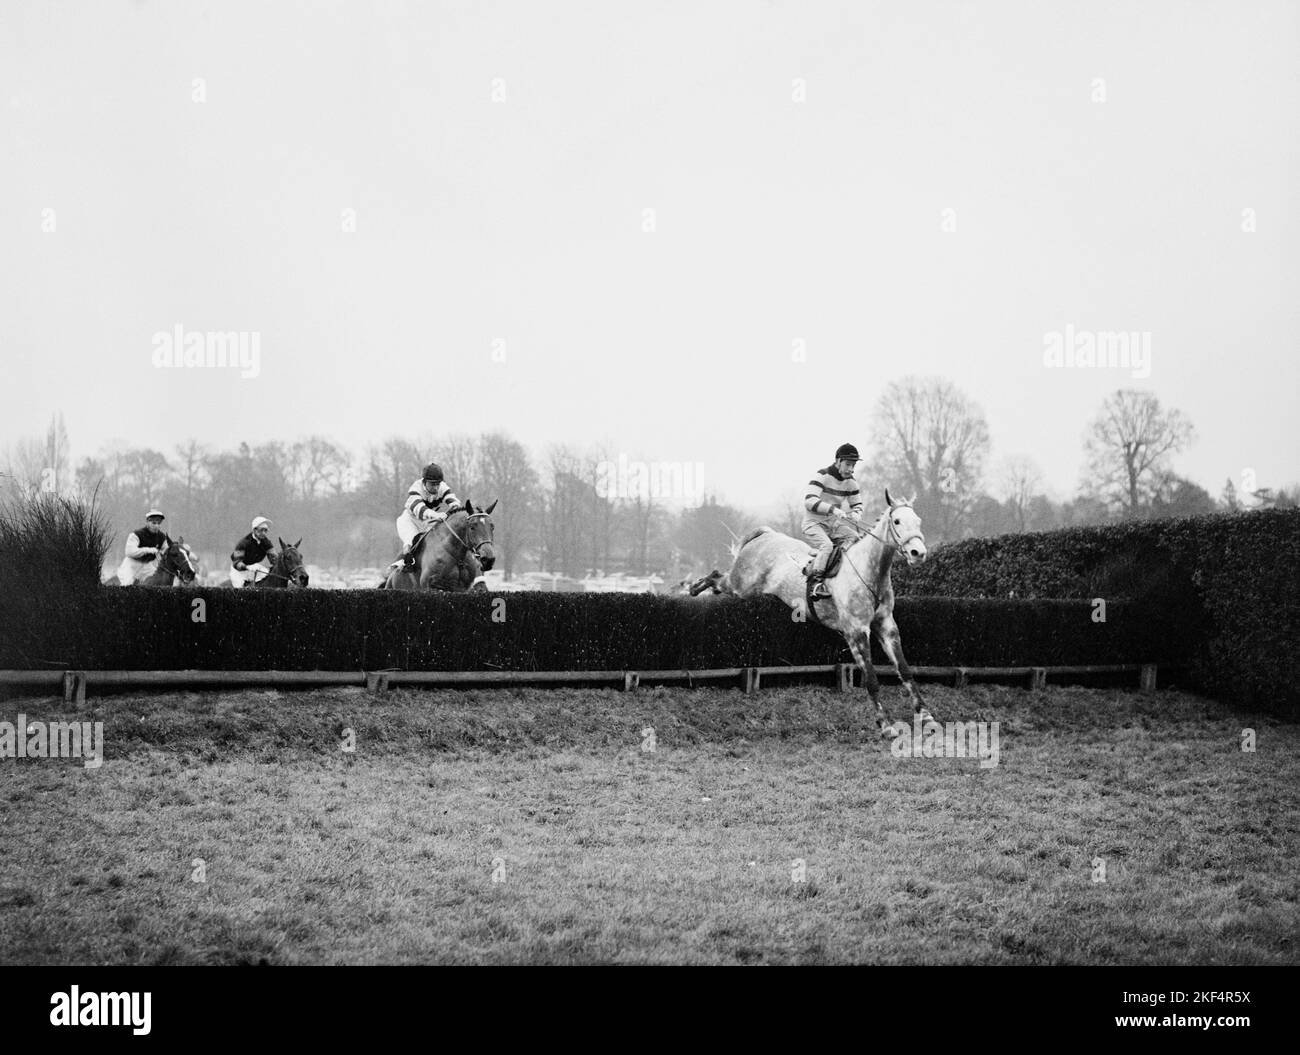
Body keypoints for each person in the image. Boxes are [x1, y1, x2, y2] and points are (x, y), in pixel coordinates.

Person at [803, 443, 864, 598]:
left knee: (854, 538)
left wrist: (857, 513)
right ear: (838, 462)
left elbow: (857, 504)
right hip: (814, 524)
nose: (851, 469)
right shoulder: (822, 475)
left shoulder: (851, 482)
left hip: (833, 525)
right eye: (848, 464)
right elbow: (809, 501)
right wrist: (833, 509)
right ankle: (816, 584)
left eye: (853, 465)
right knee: (827, 545)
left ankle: (839, 572)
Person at [394, 462, 461, 569]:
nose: (436, 488)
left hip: (426, 523)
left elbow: (451, 497)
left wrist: (455, 505)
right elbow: (420, 509)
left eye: (437, 484)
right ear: (424, 482)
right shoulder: (415, 489)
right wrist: (436, 515)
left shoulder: (442, 486)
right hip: (409, 521)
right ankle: (399, 567)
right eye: (432, 484)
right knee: (411, 543)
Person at [116, 509, 171, 585]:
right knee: (127, 584)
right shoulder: (136, 534)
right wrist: (147, 550)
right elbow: (129, 552)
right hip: (131, 564)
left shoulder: (161, 537)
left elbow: (167, 551)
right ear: (147, 522)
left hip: (147, 565)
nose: (156, 526)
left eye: (159, 523)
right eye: (154, 523)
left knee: (157, 582)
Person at [230, 516, 276, 587]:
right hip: (239, 572)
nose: (264, 533)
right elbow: (236, 563)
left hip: (254, 569)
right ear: (254, 530)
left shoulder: (267, 543)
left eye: (265, 530)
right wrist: (247, 567)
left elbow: (274, 559)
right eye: (261, 530)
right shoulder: (243, 543)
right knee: (239, 590)